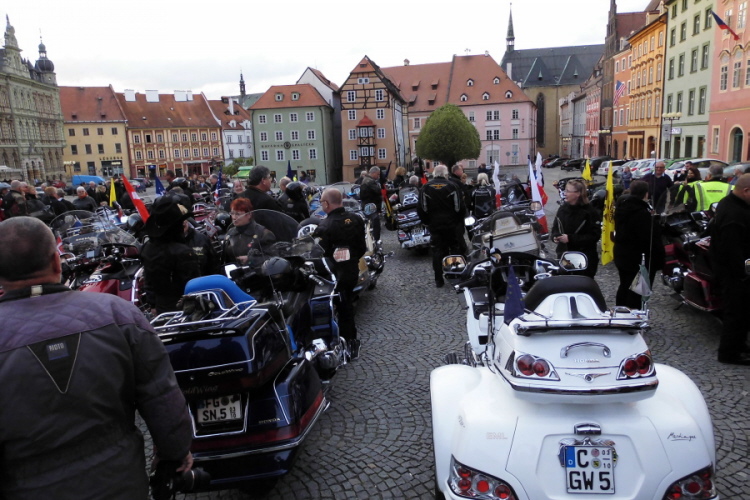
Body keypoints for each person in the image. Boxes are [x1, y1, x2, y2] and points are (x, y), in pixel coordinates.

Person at [0, 217, 193, 499]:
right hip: (119, 481)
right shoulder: (118, 314)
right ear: (56, 262)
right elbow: (160, 394)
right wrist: (175, 452)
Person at [313, 187, 366, 359]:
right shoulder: (356, 219)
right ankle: (349, 340)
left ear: (326, 203)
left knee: (339, 307)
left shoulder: (325, 226)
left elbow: (318, 254)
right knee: (347, 304)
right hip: (351, 269)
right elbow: (362, 247)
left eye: (322, 202)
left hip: (334, 274)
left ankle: (344, 342)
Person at [709, 173, 750, 365]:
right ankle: (729, 353)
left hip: (733, 269)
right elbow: (731, 249)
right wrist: (742, 273)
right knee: (735, 313)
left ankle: (739, 345)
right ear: (746, 191)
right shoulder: (734, 214)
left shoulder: (730, 203)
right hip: (733, 273)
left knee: (742, 312)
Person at [140, 197, 201, 313]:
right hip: (185, 308)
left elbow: (148, 281)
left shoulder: (147, 248)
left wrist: (152, 304)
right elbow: (193, 285)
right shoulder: (183, 252)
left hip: (161, 307)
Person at [613, 180, 664, 309]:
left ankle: (620, 311)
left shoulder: (622, 207)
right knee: (636, 291)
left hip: (622, 254)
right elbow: (650, 238)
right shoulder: (642, 213)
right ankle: (633, 314)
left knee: (624, 285)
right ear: (646, 194)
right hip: (637, 258)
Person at [418, 165, 467, 287]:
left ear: (434, 173)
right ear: (446, 174)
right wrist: (458, 221)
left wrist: (427, 221)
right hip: (451, 224)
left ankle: (438, 279)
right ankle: (456, 275)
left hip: (434, 224)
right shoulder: (452, 186)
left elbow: (422, 208)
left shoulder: (426, 187)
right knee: (454, 248)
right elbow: (460, 207)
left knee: (437, 250)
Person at [550, 179, 601, 278]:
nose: (565, 193)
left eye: (568, 191)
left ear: (578, 194)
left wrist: (570, 238)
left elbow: (594, 236)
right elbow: (555, 227)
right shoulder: (562, 209)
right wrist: (555, 236)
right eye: (565, 190)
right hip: (564, 255)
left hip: (583, 257)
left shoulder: (590, 212)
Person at [222, 197, 276, 265]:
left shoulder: (263, 233)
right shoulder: (230, 232)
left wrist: (251, 259)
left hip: (256, 270)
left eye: (238, 214)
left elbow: (273, 258)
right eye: (232, 213)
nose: (234, 217)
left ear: (249, 215)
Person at [359, 166, 383, 242]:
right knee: (375, 222)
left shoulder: (366, 180)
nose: (378, 176)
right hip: (370, 206)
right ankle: (376, 241)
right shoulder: (370, 181)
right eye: (378, 174)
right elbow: (378, 191)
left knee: (372, 223)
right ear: (373, 173)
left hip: (368, 205)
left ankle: (373, 240)